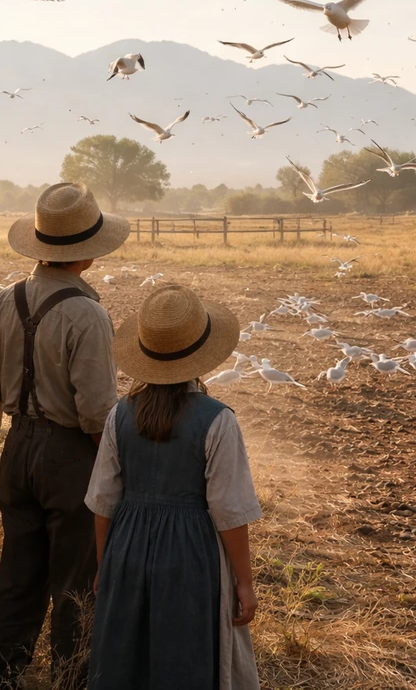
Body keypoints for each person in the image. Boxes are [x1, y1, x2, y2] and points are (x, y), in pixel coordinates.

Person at [0, 182, 131, 689]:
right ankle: (72, 678)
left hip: (16, 447)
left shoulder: (4, 300)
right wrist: (116, 472)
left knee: (20, 573)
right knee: (75, 580)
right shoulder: (87, 313)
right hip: (69, 458)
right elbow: (95, 413)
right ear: (86, 255)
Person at [86, 284, 262, 690]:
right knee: (182, 652)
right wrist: (244, 581)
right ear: (202, 354)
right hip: (190, 553)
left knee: (126, 652)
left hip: (125, 545)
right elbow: (229, 511)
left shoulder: (119, 415)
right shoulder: (218, 420)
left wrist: (105, 564)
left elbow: (102, 503)